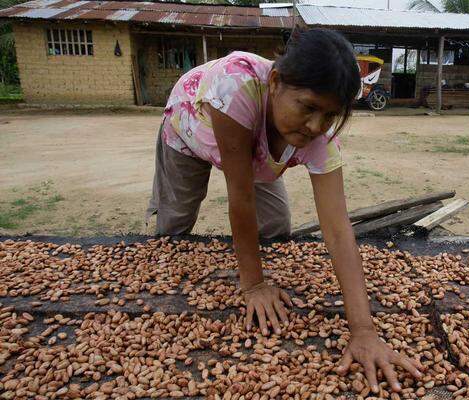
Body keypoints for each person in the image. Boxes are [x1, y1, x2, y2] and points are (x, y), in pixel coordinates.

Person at [146, 28, 424, 394]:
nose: (315, 126)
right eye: (307, 107)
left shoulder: (320, 135)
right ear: (275, 81)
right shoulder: (237, 87)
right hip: (192, 132)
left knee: (277, 226)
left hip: (259, 146)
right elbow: (240, 196)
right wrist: (254, 285)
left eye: (330, 115)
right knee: (176, 221)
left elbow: (339, 229)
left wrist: (364, 331)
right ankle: (168, 253)